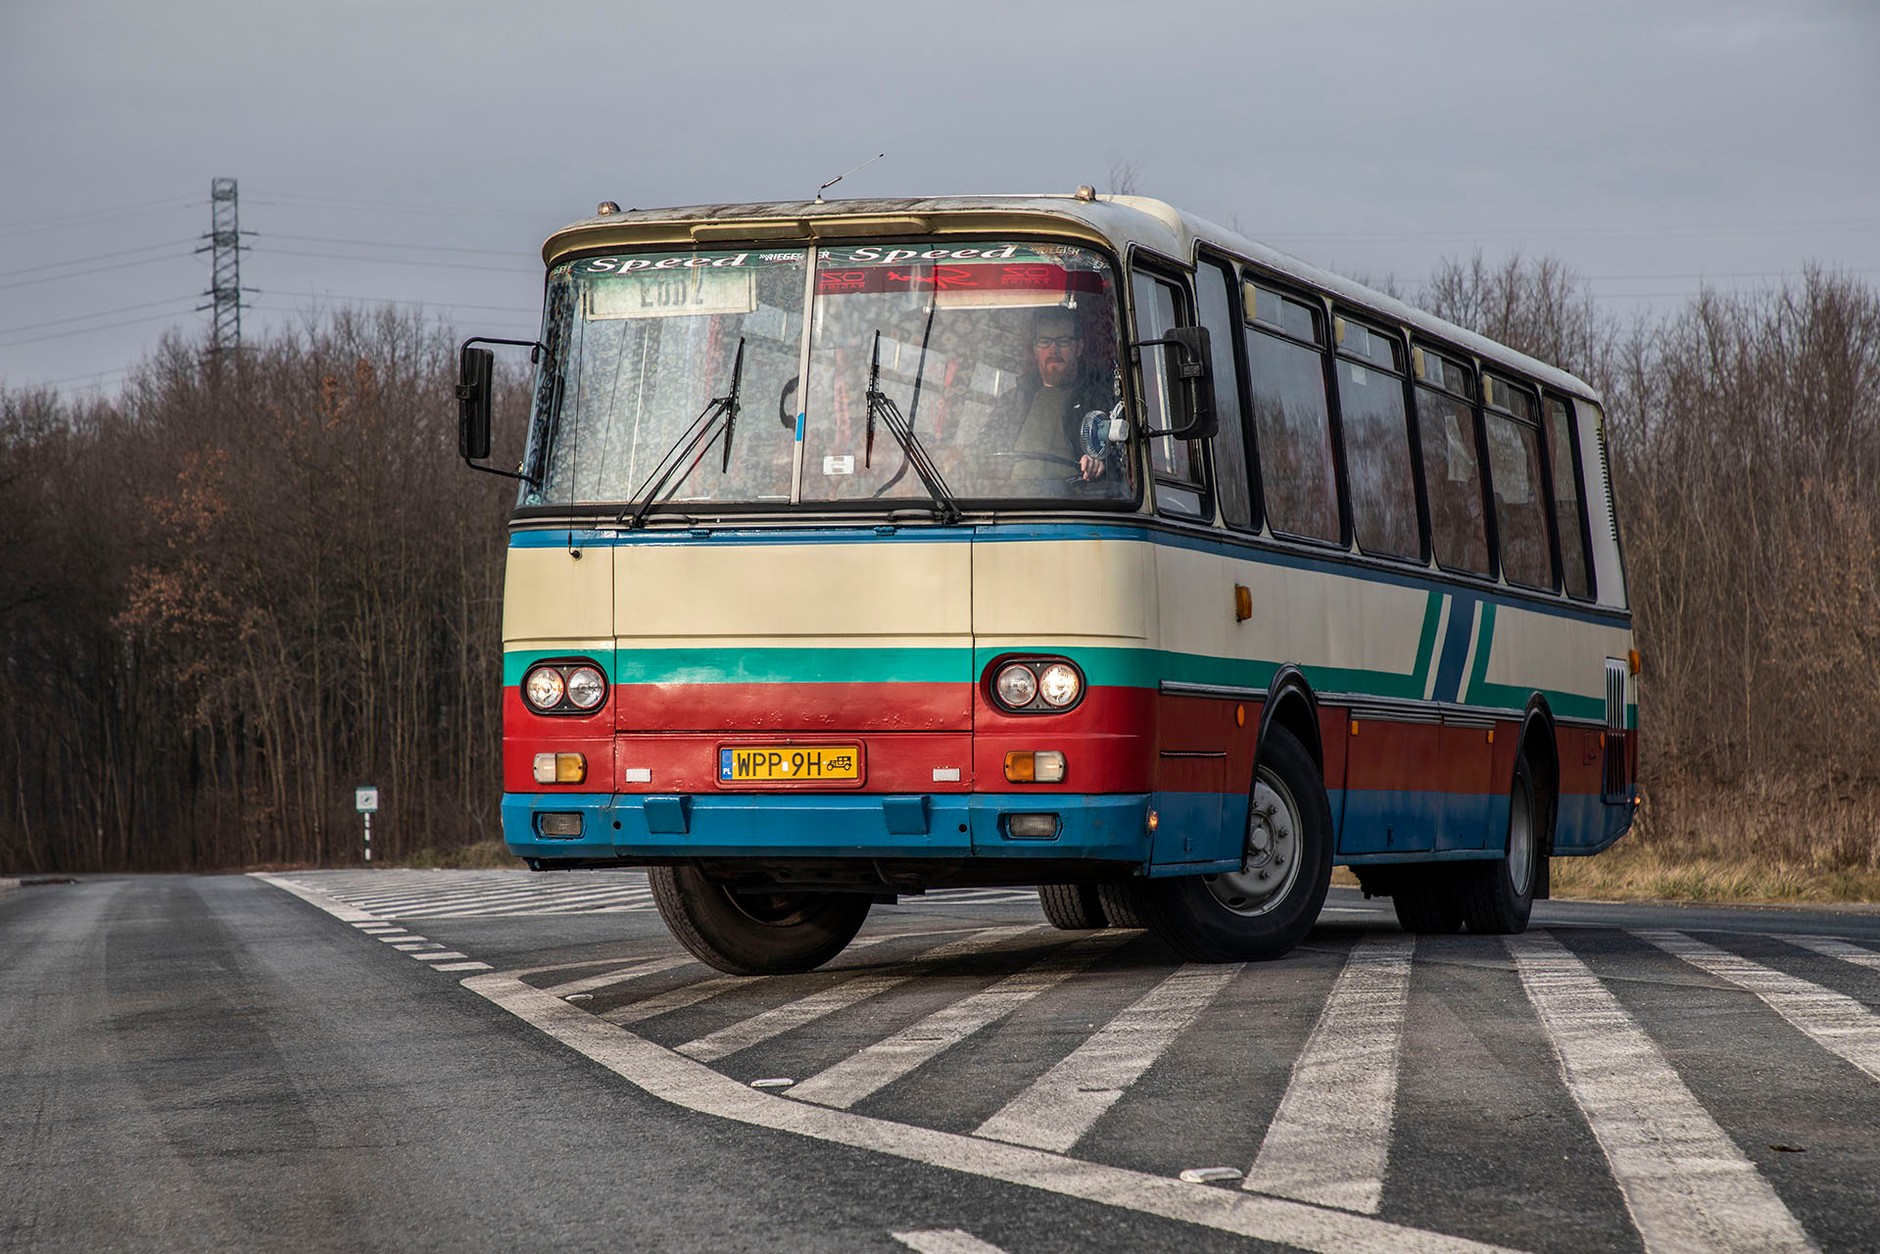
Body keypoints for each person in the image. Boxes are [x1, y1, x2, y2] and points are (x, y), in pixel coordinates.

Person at [1007, 307, 1120, 484]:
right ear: (1035, 349)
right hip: (1008, 499)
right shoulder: (1013, 401)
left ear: (1079, 347)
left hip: (1072, 502)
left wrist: (1099, 463)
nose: (1053, 350)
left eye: (1063, 341)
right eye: (1045, 341)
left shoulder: (1100, 398)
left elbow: (1121, 457)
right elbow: (984, 448)